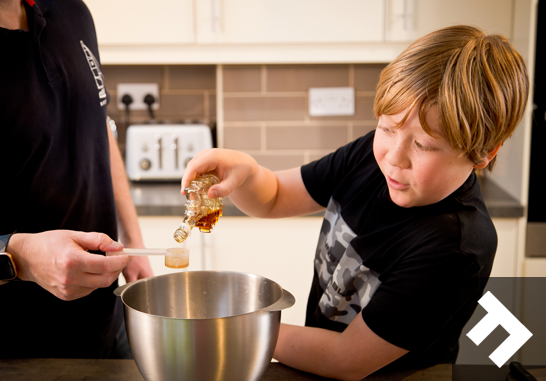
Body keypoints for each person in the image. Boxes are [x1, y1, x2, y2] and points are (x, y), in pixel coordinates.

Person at [181, 25, 528, 379]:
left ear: (483, 152)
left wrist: (232, 328)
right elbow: (274, 198)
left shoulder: (456, 247)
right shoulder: (369, 156)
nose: (394, 157)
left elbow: (345, 360)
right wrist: (247, 172)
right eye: (388, 128)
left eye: (423, 145)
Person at [0, 0, 152, 358]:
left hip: (106, 329)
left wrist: (133, 239)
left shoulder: (72, 11)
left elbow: (97, 127)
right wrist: (18, 256)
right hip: (2, 355)